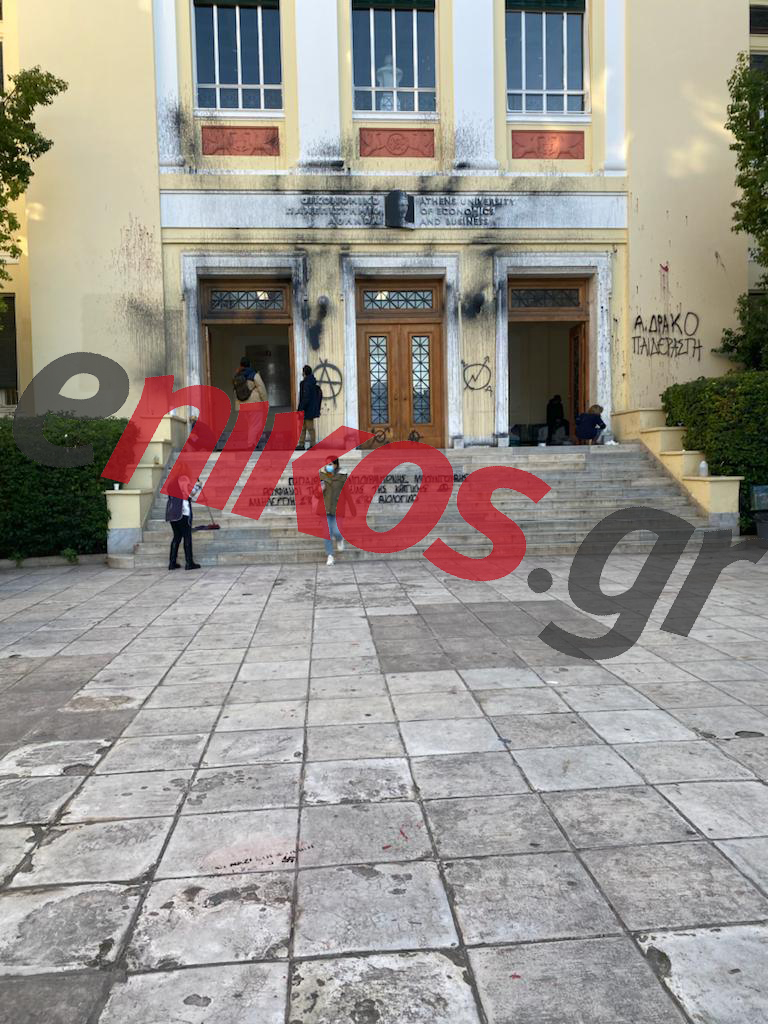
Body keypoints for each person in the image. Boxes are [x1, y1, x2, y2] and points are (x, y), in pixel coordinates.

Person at [319, 458, 355, 566]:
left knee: (337, 531)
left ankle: (340, 539)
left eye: (330, 464)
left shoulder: (342, 476)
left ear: (335, 465)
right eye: (326, 464)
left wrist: (352, 507)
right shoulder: (321, 475)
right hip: (325, 508)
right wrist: (320, 489)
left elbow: (347, 492)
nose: (328, 466)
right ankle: (330, 555)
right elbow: (315, 493)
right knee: (327, 533)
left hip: (338, 508)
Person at [166, 474, 202, 570]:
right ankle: (189, 563)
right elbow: (188, 494)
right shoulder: (183, 479)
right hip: (182, 513)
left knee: (177, 536)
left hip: (172, 513)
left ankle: (172, 563)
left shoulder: (172, 482)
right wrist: (197, 486)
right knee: (187, 536)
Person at [233, 357, 268, 450]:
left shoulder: (237, 375)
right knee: (256, 425)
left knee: (250, 425)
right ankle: (250, 444)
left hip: (242, 405)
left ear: (241, 365)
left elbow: (235, 391)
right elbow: (261, 388)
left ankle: (253, 443)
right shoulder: (254, 374)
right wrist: (265, 402)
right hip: (254, 404)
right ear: (249, 364)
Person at [297, 364, 322, 449]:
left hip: (307, 409)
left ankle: (308, 444)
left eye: (303, 372)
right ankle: (304, 444)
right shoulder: (312, 382)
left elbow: (305, 398)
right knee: (304, 427)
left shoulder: (306, 383)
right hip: (310, 409)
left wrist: (300, 408)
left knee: (308, 428)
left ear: (304, 373)